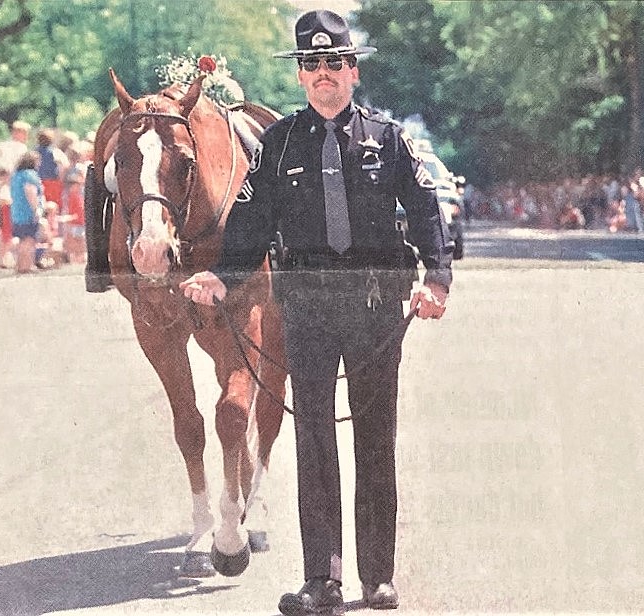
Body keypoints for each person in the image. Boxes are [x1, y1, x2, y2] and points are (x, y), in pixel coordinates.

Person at [179, 10, 452, 614]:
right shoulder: (278, 146)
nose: (323, 75)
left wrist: (437, 278)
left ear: (352, 72)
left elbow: (428, 211)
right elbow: (249, 227)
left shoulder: (388, 138)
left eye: (334, 64)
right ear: (301, 77)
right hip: (306, 309)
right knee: (314, 442)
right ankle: (321, 581)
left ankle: (377, 576)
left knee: (376, 441)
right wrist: (221, 277)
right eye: (311, 65)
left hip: (377, 307)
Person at [9, 151, 43, 274]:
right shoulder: (30, 175)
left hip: (16, 212)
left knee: (21, 239)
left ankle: (20, 265)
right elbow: (31, 192)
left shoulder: (16, 175)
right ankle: (26, 266)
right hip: (27, 213)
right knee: (29, 240)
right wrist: (36, 210)